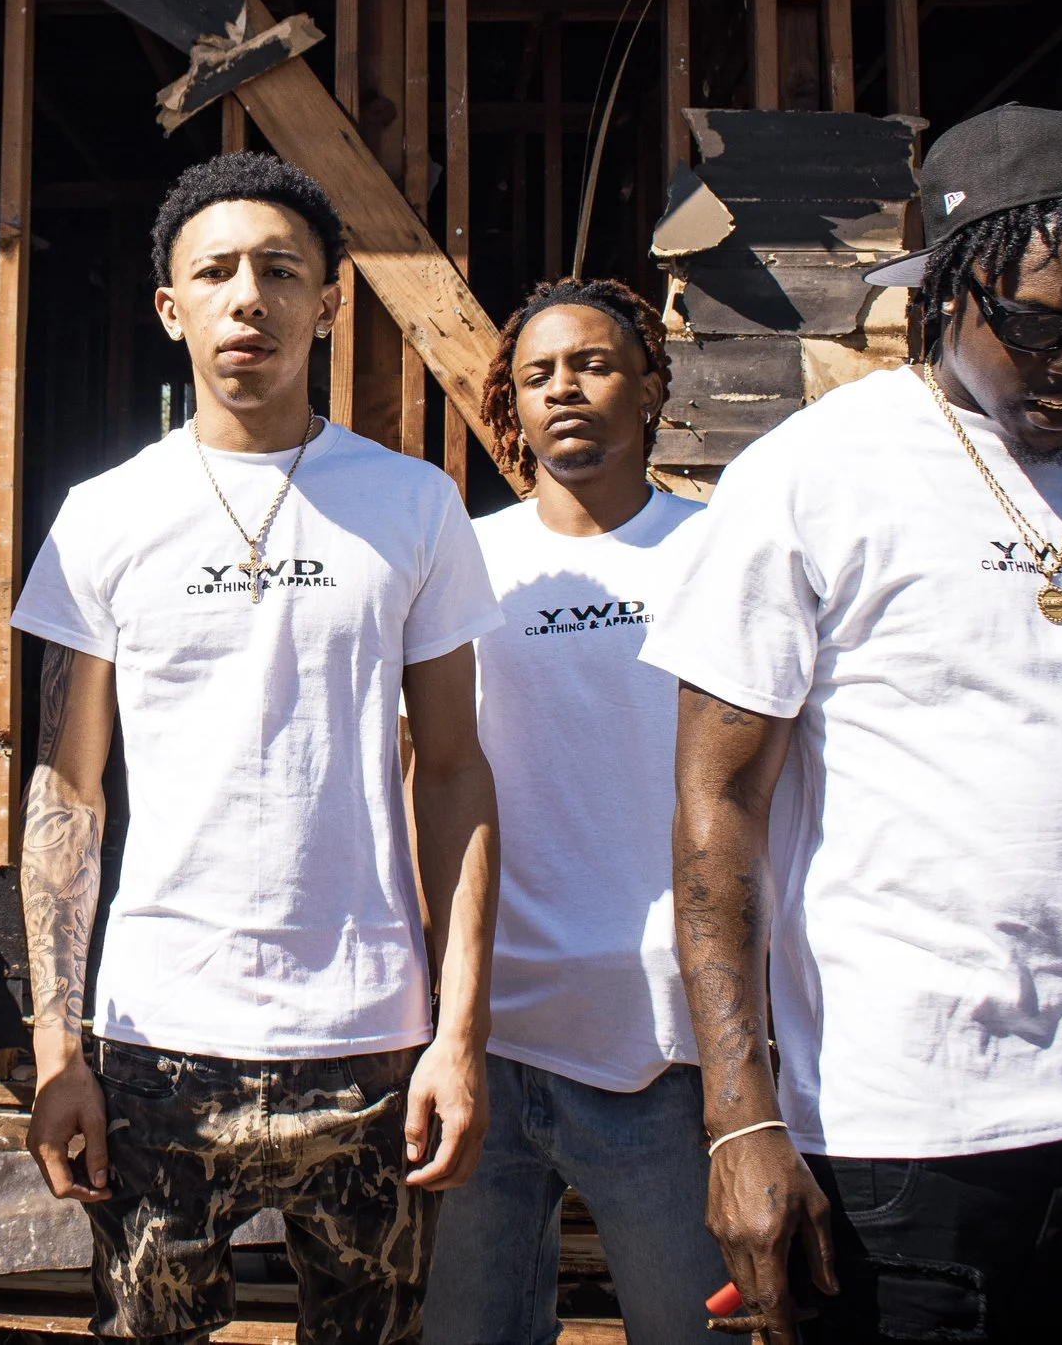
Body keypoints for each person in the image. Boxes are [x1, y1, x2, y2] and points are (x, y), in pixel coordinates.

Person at [645, 106, 1062, 1342]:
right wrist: (740, 1119)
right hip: (897, 1149)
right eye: (1037, 326)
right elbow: (718, 809)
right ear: (941, 284)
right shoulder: (811, 476)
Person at [12, 152, 504, 1345]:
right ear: (170, 308)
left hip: (369, 1034)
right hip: (154, 1036)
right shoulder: (104, 515)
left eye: (281, 270)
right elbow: (66, 788)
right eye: (216, 271)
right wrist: (55, 1043)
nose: (250, 296)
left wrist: (456, 1032)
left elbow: (453, 769)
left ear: (327, 302)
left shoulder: (412, 502)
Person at [424, 279, 728, 1345]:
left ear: (649, 383)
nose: (566, 388)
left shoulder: (719, 551)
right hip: (487, 1039)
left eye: (594, 363)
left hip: (665, 1042)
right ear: (510, 399)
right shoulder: (465, 560)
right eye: (539, 371)